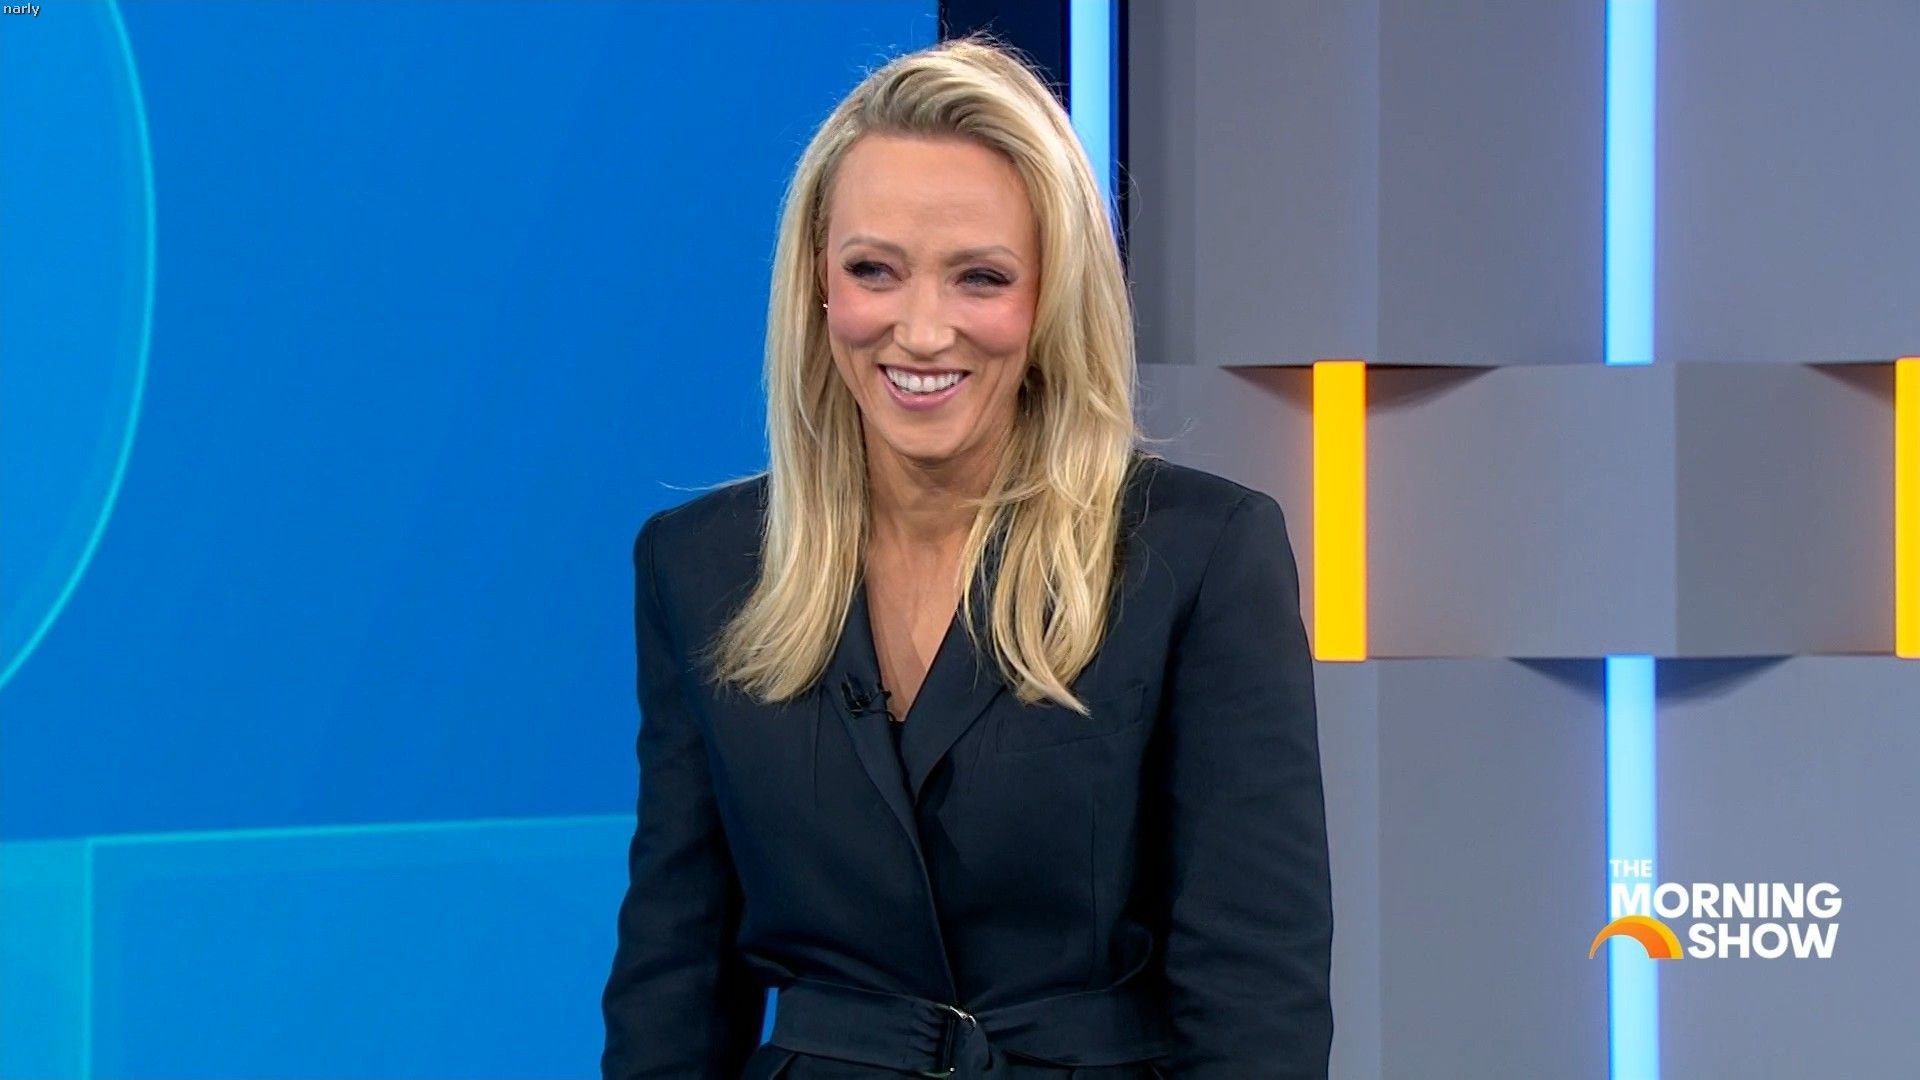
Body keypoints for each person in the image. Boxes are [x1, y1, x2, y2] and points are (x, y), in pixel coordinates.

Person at [600, 33, 1332, 1080]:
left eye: (979, 278)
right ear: (817, 286)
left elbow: (1257, 996)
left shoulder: (1199, 557)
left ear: (1051, 299)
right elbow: (673, 979)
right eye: (875, 271)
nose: (922, 331)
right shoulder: (701, 567)